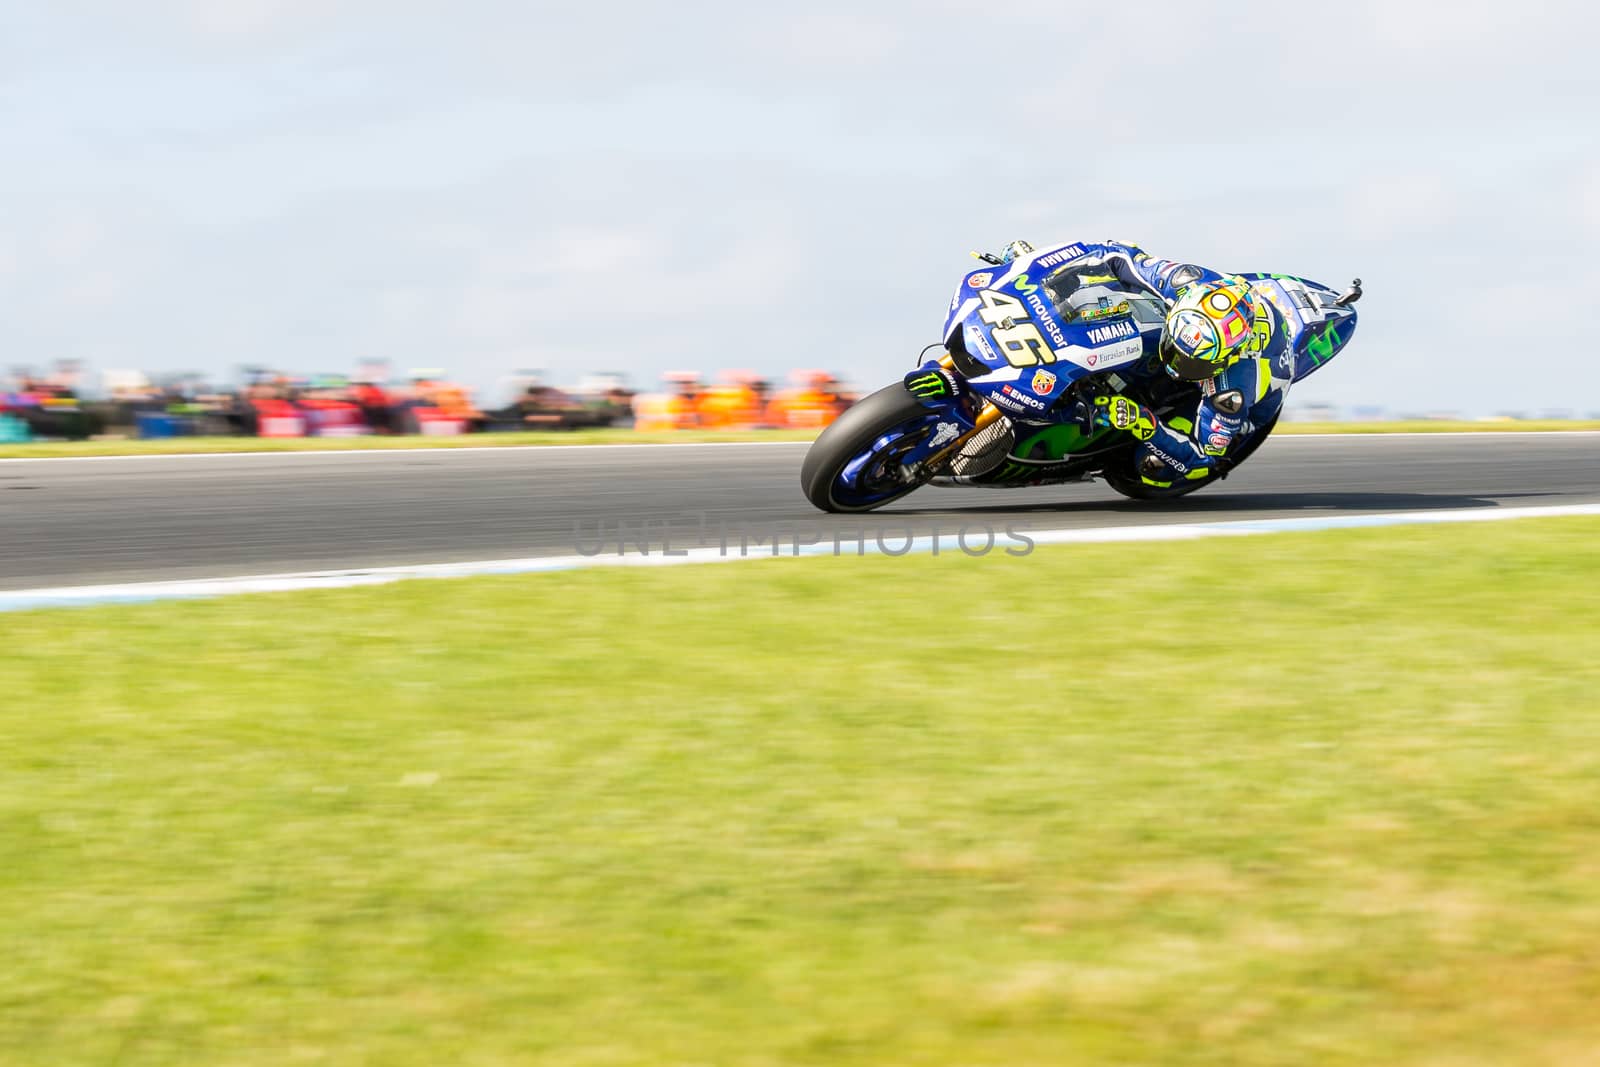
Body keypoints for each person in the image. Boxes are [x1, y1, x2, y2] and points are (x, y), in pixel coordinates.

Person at [1004, 239, 1290, 489]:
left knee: (1152, 467)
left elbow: (1204, 457)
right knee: (1107, 296)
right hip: (1211, 317)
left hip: (1227, 415)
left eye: (1192, 362)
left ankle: (1106, 445)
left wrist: (1144, 422)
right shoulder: (1182, 283)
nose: (1178, 364)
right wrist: (1043, 269)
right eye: (1176, 350)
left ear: (1227, 358)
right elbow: (1116, 254)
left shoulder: (1232, 392)